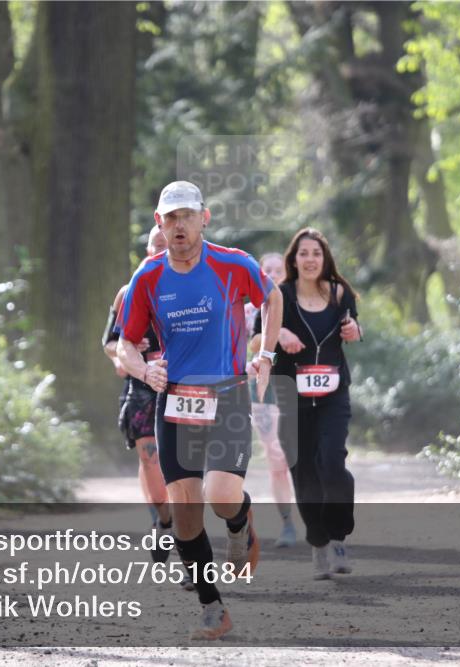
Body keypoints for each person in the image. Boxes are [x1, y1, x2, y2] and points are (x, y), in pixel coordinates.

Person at [115, 181, 282, 640]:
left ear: (204, 218)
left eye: (186, 215)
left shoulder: (232, 264)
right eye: (170, 218)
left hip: (227, 392)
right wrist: (144, 371)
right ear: (159, 224)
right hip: (174, 401)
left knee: (221, 494)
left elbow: (272, 298)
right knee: (185, 510)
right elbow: (125, 342)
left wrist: (265, 355)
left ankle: (239, 520)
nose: (179, 225)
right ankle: (213, 608)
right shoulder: (146, 279)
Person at [261, 228, 362, 580]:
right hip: (292, 393)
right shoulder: (280, 295)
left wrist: (354, 331)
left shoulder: (338, 292)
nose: (309, 259)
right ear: (294, 259)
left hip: (333, 393)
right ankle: (318, 543)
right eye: (303, 253)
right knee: (303, 471)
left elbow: (353, 326)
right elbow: (259, 335)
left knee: (332, 462)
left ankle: (337, 536)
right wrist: (280, 334)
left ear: (325, 258)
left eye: (316, 253)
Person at [103, 226, 187, 577]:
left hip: (182, 385)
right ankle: (164, 521)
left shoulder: (190, 288)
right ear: (147, 248)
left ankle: (187, 544)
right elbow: (109, 342)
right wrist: (125, 355)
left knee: (183, 469)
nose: (159, 251)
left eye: (165, 246)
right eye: (155, 245)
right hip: (141, 385)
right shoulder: (130, 290)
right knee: (150, 458)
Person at [245, 253, 297, 548]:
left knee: (301, 457)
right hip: (264, 389)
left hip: (297, 387)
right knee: (276, 457)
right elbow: (253, 344)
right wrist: (279, 334)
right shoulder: (254, 306)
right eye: (268, 270)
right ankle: (287, 523)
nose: (274, 274)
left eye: (279, 270)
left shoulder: (298, 302)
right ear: (260, 273)